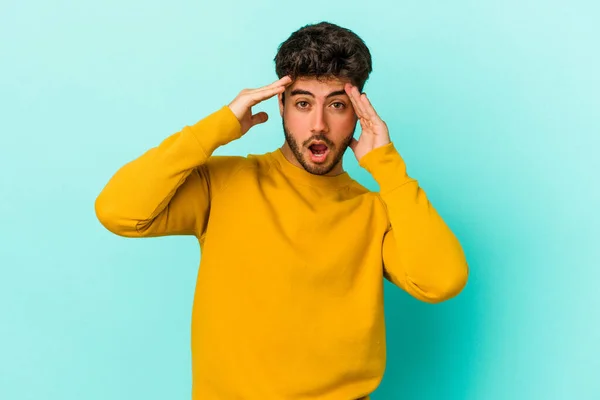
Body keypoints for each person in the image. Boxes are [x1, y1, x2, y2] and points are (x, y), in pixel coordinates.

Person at [95, 21, 469, 400]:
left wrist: (387, 166)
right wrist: (218, 127)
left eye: (337, 105)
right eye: (303, 103)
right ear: (281, 105)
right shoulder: (224, 183)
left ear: (359, 112)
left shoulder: (376, 211)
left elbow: (443, 280)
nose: (318, 125)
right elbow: (118, 210)